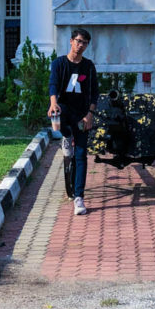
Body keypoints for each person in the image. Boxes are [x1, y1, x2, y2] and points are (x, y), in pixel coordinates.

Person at [48, 27, 99, 215]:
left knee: (81, 154)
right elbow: (53, 84)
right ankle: (66, 136)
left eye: (84, 43)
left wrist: (90, 114)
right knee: (58, 114)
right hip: (64, 109)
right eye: (78, 41)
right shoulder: (59, 63)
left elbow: (94, 92)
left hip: (82, 114)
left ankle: (79, 197)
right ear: (71, 41)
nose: (80, 45)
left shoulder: (88, 66)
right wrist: (53, 103)